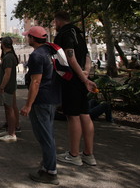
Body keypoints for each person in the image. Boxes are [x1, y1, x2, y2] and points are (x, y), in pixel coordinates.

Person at [54, 11, 97, 167]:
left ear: (58, 22)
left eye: (54, 23)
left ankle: (74, 154)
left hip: (71, 80)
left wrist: (84, 78)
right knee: (84, 114)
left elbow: (70, 58)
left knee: (73, 116)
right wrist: (85, 74)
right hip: (80, 79)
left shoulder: (65, 34)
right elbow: (87, 57)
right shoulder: (78, 33)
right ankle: (88, 154)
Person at [20, 26, 61, 185]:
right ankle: (47, 166)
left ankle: (51, 172)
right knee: (48, 134)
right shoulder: (50, 52)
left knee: (45, 136)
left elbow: (35, 82)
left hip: (41, 100)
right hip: (51, 98)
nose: (26, 38)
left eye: (28, 36)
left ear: (32, 38)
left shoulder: (36, 55)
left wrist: (28, 105)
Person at [0, 36, 20, 142]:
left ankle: (12, 133)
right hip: (8, 87)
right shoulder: (9, 56)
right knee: (8, 108)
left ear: (3, 45)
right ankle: (9, 130)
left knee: (10, 108)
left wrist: (2, 87)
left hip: (7, 87)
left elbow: (7, 74)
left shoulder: (8, 58)